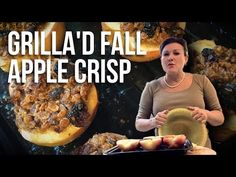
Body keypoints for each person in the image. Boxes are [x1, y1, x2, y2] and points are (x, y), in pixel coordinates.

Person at [135, 37, 224, 148]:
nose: (170, 58)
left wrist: (206, 114)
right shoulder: (151, 87)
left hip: (200, 150)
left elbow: (219, 118)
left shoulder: (202, 81)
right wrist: (152, 122)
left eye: (176, 53)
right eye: (166, 54)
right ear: (161, 60)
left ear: (186, 58)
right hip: (164, 150)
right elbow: (139, 124)